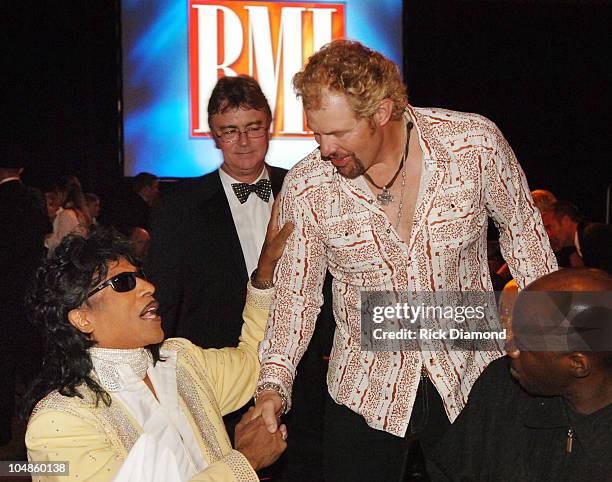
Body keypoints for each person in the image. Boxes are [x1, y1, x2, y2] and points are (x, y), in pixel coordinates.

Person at [254, 39, 558, 481]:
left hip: (472, 381)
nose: (324, 149)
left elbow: (525, 237)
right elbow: (295, 299)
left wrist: (553, 341)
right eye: (316, 133)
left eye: (338, 133)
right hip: (363, 392)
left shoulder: (473, 144)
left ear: (382, 113)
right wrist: (272, 386)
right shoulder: (308, 185)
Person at [146, 75, 334, 479]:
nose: (244, 141)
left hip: (306, 373)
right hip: (220, 382)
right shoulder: (179, 207)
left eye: (253, 128)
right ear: (214, 136)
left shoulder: (304, 188)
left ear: (269, 126)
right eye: (230, 131)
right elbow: (164, 299)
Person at [24, 200, 292, 481]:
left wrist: (264, 275)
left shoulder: (180, 361)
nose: (148, 287)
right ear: (82, 318)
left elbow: (257, 362)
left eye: (140, 276)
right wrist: (244, 462)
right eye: (123, 283)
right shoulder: (59, 421)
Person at [429, 268, 612, 481]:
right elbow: (446, 469)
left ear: (577, 364)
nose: (511, 349)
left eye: (524, 343)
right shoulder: (502, 384)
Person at [0, 166, 51, 445]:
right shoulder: (32, 198)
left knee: (4, 366)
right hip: (29, 292)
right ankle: (41, 427)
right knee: (32, 364)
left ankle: (2, 432)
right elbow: (44, 232)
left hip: (3, 294)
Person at [45, 175, 90, 254]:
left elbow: (61, 244)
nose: (54, 198)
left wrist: (45, 239)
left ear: (62, 194)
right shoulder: (77, 213)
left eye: (56, 193)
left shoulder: (67, 215)